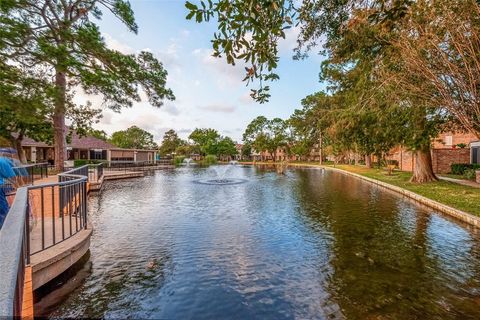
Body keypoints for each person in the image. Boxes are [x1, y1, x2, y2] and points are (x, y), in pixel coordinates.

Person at [0, 157, 16, 229]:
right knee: (3, 209)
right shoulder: (3, 161)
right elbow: (12, 177)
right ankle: (7, 228)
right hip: (1, 186)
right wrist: (16, 185)